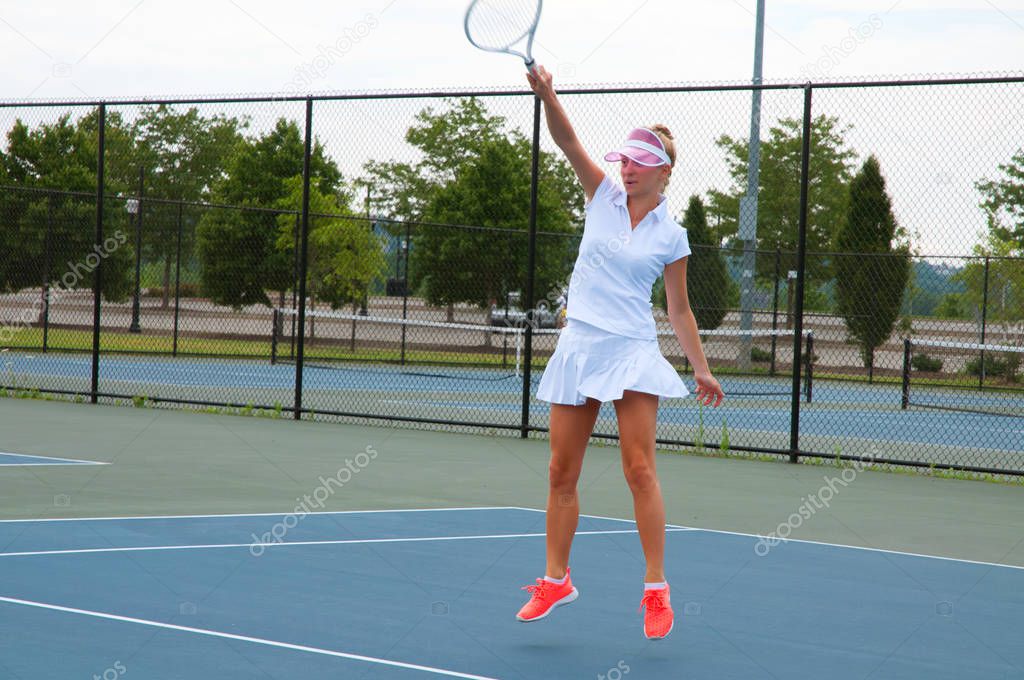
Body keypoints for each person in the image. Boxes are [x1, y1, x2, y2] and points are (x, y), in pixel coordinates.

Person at [516, 65, 725, 640]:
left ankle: (656, 589)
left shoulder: (672, 234)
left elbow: (679, 310)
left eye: (636, 162)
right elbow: (566, 140)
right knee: (561, 470)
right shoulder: (601, 196)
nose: (625, 169)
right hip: (580, 343)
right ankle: (556, 580)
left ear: (662, 171)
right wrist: (548, 95)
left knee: (639, 469)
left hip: (632, 351)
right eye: (623, 161)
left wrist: (700, 368)